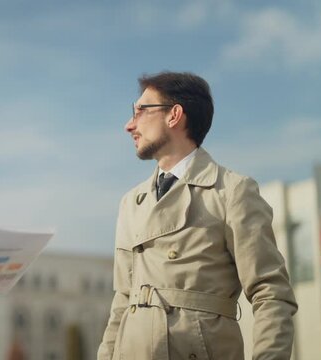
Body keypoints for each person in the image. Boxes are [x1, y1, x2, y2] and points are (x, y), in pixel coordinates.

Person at [97, 72, 297, 359]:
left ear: (174, 115)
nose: (129, 125)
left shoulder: (232, 191)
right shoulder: (131, 202)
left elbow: (271, 292)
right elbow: (122, 302)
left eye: (140, 110)